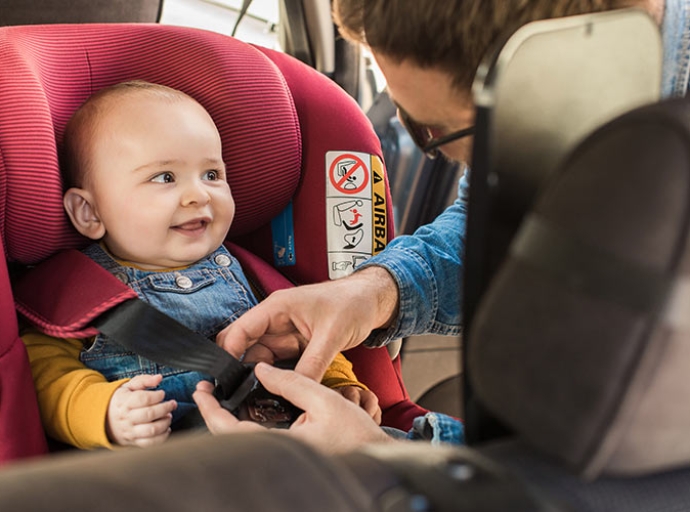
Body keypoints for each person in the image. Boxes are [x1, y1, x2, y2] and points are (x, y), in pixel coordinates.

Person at [193, 0, 686, 453]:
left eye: (440, 129)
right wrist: (372, 293)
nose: (441, 150)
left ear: (567, 63)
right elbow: (493, 220)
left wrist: (387, 459)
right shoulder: (549, 94)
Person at [21, 80, 380, 450]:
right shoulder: (76, 294)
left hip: (292, 444)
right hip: (178, 468)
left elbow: (307, 337)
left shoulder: (251, 274)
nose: (198, 195)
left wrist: (338, 385)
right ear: (89, 211)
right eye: (164, 178)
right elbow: (45, 377)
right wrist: (106, 412)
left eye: (212, 175)